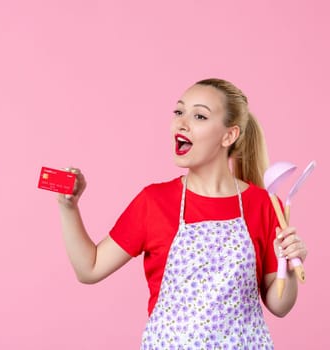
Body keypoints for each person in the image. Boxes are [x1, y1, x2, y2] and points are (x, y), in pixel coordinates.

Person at [57, 78, 308, 349]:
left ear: (229, 135)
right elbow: (89, 268)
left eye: (199, 116)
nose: (182, 122)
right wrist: (68, 207)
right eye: (179, 112)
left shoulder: (264, 205)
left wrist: (290, 265)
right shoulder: (154, 202)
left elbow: (279, 306)